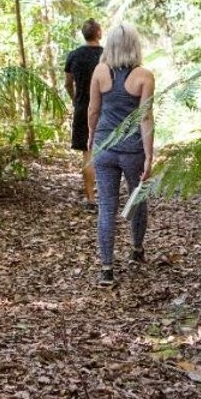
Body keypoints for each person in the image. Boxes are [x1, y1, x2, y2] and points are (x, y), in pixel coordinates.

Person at [86, 23, 155, 287]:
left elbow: (93, 110)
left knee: (107, 206)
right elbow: (145, 118)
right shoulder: (144, 76)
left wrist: (92, 137)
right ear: (135, 46)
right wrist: (149, 156)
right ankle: (137, 249)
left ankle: (106, 269)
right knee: (137, 199)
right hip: (133, 150)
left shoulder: (100, 72)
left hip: (104, 148)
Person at [63, 19, 104, 209]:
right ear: (98, 33)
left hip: (82, 108)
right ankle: (107, 194)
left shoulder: (74, 55)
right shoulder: (107, 56)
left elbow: (67, 84)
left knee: (88, 154)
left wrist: (75, 98)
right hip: (105, 107)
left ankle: (90, 198)